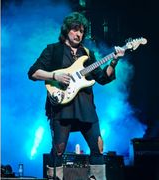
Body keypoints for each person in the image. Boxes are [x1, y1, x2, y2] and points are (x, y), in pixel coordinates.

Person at [28, 12, 125, 180]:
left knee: (98, 149)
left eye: (81, 31)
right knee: (58, 150)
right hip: (62, 108)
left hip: (86, 109)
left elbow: (103, 78)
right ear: (67, 30)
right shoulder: (53, 50)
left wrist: (114, 61)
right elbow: (33, 72)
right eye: (75, 29)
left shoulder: (87, 54)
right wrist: (54, 76)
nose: (79, 34)